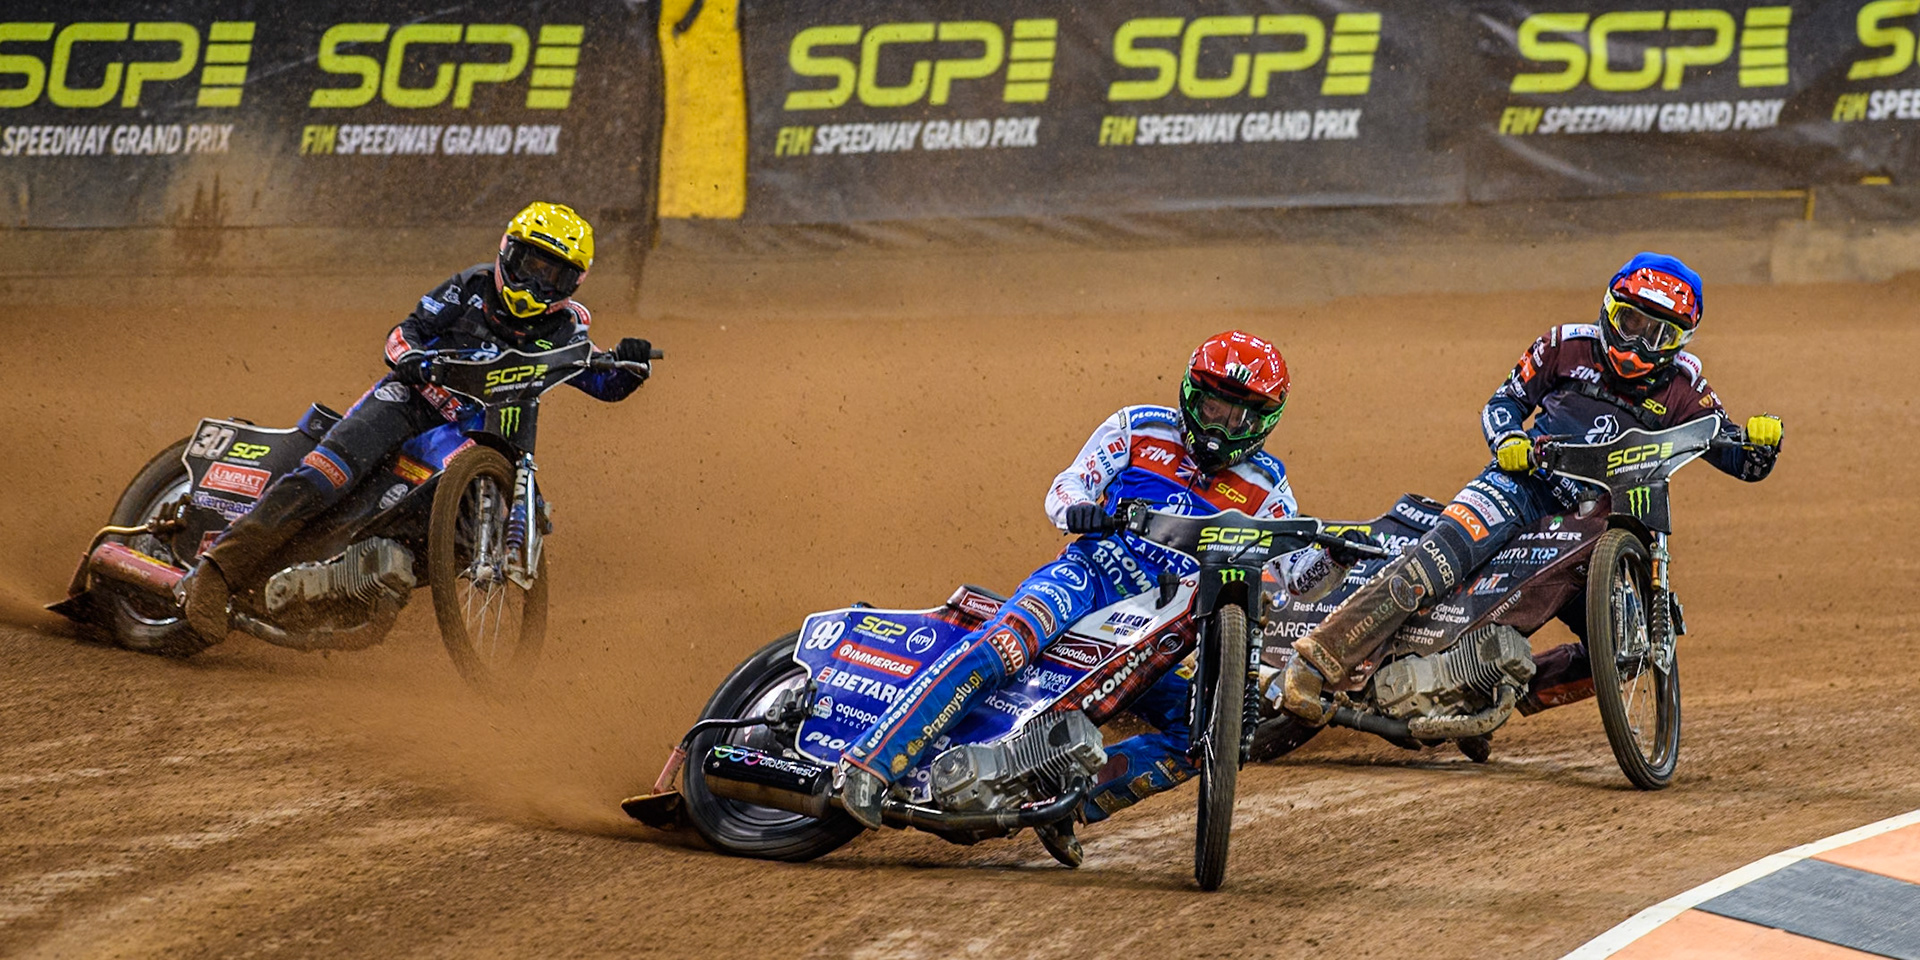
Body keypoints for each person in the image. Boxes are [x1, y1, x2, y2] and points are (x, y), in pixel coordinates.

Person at [837, 331, 1350, 865]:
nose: (1221, 423)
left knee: (1203, 732)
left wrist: (1336, 558)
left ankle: (1064, 803)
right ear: (1190, 394)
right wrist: (1077, 509)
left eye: (1238, 414)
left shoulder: (1268, 487)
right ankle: (872, 765)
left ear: (1263, 422)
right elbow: (1067, 485)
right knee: (1003, 648)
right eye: (1213, 403)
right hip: (1085, 580)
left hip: (1157, 632)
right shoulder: (1138, 427)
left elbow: (1297, 580)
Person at [1276, 252, 1784, 725]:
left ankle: (1484, 683)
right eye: (1631, 323)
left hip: (1599, 520)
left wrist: (1761, 443)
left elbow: (1736, 455)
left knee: (1636, 644)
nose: (1636, 345)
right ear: (1610, 311)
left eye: (1657, 335)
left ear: (1680, 342)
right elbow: (1503, 403)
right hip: (1521, 484)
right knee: (1434, 562)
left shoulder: (1687, 389)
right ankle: (1317, 663)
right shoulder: (1565, 345)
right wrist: (1509, 440)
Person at [179, 202, 655, 640]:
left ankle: (348, 590)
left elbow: (601, 381)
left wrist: (631, 366)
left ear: (573, 285)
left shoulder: (566, 331)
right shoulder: (470, 288)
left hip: (473, 433)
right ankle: (215, 571)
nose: (536, 285)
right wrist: (413, 359)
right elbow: (403, 333)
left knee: (462, 539)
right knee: (327, 476)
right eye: (532, 266)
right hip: (410, 400)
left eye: (553, 277)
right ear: (509, 254)